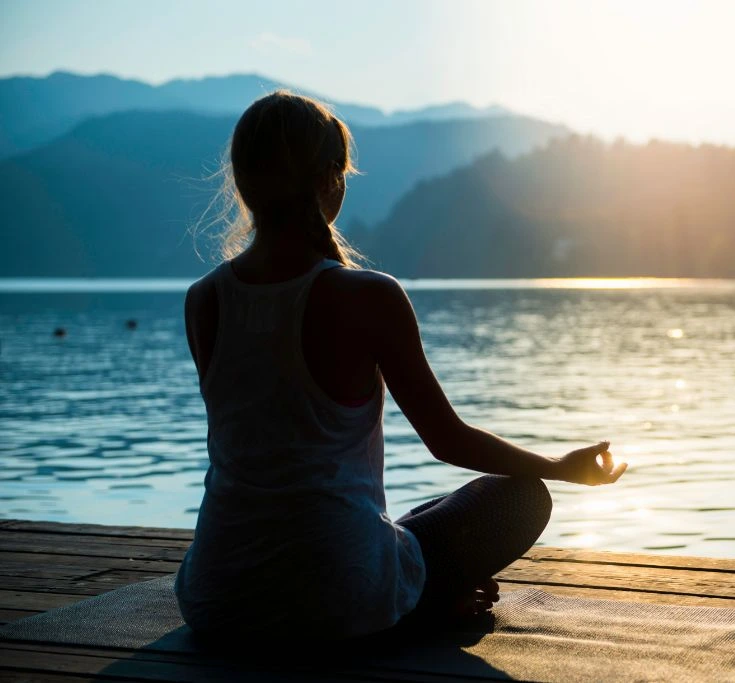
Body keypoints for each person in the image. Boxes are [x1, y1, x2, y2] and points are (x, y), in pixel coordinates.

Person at [174, 91, 627, 643]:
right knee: (520, 496)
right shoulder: (367, 295)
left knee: (407, 519)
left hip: (218, 598)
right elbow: (448, 441)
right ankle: (424, 601)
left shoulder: (205, 300)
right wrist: (559, 466)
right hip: (338, 597)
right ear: (331, 181)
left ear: (244, 187)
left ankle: (417, 589)